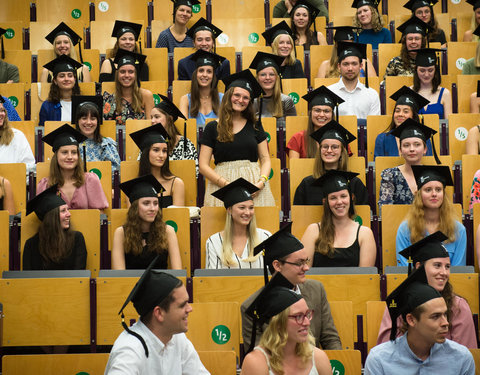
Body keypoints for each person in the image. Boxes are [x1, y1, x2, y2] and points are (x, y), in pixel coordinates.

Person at [241, 223, 342, 351]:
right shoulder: (253, 307)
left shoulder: (316, 290)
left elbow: (330, 338)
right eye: (299, 263)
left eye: (306, 261)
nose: (306, 268)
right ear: (277, 265)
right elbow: (258, 355)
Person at [105, 256, 210, 374]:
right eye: (182, 305)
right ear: (159, 313)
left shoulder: (177, 338)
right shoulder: (129, 351)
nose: (190, 309)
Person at [364, 265, 475, 374]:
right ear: (411, 320)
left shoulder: (462, 358)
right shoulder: (379, 360)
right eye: (435, 316)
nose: (445, 323)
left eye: (445, 315)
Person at [377, 232, 477, 348]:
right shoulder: (398, 304)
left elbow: (465, 355)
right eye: (437, 265)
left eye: (447, 267)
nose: (444, 273)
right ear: (419, 266)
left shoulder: (458, 306)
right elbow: (386, 353)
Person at [199, 70, 275, 207]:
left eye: (246, 98)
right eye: (237, 95)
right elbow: (203, 165)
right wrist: (225, 184)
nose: (241, 100)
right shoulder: (212, 127)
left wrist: (261, 182)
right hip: (221, 184)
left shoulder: (255, 125)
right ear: (229, 96)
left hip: (254, 185)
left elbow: (265, 159)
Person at [241, 273, 332, 375]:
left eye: (307, 314)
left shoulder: (318, 357)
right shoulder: (256, 362)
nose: (307, 322)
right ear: (278, 323)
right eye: (298, 316)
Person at [301, 170, 376, 267]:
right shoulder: (313, 231)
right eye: (333, 198)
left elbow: (366, 278)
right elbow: (303, 272)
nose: (339, 202)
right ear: (325, 202)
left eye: (343, 196)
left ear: (351, 198)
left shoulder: (365, 234)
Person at [396, 165, 467, 266]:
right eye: (428, 190)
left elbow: (458, 270)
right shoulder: (406, 229)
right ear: (419, 195)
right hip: (415, 282)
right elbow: (404, 268)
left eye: (438, 190)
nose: (434, 194)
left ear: (443, 194)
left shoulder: (458, 230)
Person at [112, 175, 182, 270]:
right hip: (131, 284)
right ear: (135, 208)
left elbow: (178, 273)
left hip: (161, 284)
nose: (152, 208)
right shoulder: (121, 233)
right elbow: (118, 276)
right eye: (146, 203)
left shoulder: (167, 231)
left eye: (155, 203)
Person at [293, 120, 368, 205]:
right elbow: (298, 215)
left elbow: (363, 215)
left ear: (342, 152)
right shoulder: (307, 184)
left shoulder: (354, 184)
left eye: (334, 147)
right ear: (320, 150)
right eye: (325, 147)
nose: (329, 151)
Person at [37, 124, 109, 211]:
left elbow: (99, 215)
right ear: (56, 156)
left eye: (74, 152)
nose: (70, 157)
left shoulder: (90, 180)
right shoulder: (46, 186)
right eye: (64, 152)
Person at [206, 178, 271, 269]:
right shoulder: (214, 242)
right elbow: (212, 280)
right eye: (242, 207)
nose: (248, 212)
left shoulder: (265, 237)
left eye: (251, 208)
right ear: (229, 210)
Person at [23, 184, 87, 270]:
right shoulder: (31, 245)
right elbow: (27, 279)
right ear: (51, 217)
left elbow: (80, 275)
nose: (69, 214)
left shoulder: (76, 239)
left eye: (68, 209)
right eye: (63, 211)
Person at [378, 118, 437, 207]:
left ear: (425, 149)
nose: (412, 149)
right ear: (400, 150)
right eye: (406, 145)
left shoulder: (434, 175)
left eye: (417, 144)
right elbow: (386, 210)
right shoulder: (390, 175)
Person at [130, 124, 185, 208]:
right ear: (145, 153)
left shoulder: (176, 183)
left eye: (164, 151)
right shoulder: (133, 187)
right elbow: (133, 219)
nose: (161, 155)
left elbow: (178, 219)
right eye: (156, 150)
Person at [374, 85, 433, 158]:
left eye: (406, 111)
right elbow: (378, 166)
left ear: (413, 116)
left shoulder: (424, 139)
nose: (400, 114)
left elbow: (428, 164)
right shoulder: (382, 139)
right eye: (397, 111)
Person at [286, 85, 344, 159]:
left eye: (326, 111)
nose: (322, 115)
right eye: (317, 110)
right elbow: (295, 168)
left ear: (332, 114)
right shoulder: (298, 139)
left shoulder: (340, 139)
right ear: (310, 113)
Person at [327, 41, 380, 120]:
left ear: (361, 66)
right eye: (345, 64)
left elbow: (374, 127)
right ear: (338, 66)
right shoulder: (329, 92)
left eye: (354, 64)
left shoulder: (372, 95)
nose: (350, 68)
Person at [103, 50, 154, 126]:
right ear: (117, 75)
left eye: (131, 72)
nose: (127, 75)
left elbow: (151, 125)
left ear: (135, 75)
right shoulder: (110, 99)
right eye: (122, 72)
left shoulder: (146, 95)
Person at [72, 95, 121, 173]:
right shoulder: (70, 144)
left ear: (97, 122)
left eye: (93, 119)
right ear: (77, 121)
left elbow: (115, 173)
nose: (88, 122)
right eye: (84, 118)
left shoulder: (106, 144)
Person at [151, 94, 198, 176]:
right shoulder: (148, 141)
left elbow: (194, 173)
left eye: (157, 117)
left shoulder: (185, 144)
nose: (152, 121)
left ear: (169, 118)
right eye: (151, 117)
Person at [249, 51, 297, 129]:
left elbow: (293, 129)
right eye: (263, 74)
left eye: (271, 74)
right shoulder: (251, 101)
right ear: (257, 78)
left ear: (277, 78)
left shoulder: (286, 101)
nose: (267, 78)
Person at [179, 49, 225, 128]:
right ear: (196, 74)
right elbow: (183, 129)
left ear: (213, 76)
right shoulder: (185, 100)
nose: (204, 75)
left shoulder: (223, 98)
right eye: (201, 71)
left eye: (209, 71)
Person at [39, 55, 83, 126]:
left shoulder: (83, 104)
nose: (66, 79)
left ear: (74, 80)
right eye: (62, 76)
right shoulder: (47, 106)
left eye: (70, 75)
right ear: (55, 81)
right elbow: (43, 130)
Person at [413, 48, 452, 119]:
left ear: (435, 71)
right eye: (422, 71)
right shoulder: (409, 92)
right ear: (416, 70)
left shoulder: (445, 93)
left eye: (430, 70)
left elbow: (448, 124)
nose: (426, 74)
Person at [0, 97, 35, 172]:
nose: (1, 114)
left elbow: (30, 166)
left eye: (2, 110)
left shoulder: (17, 136)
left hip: (14, 182)